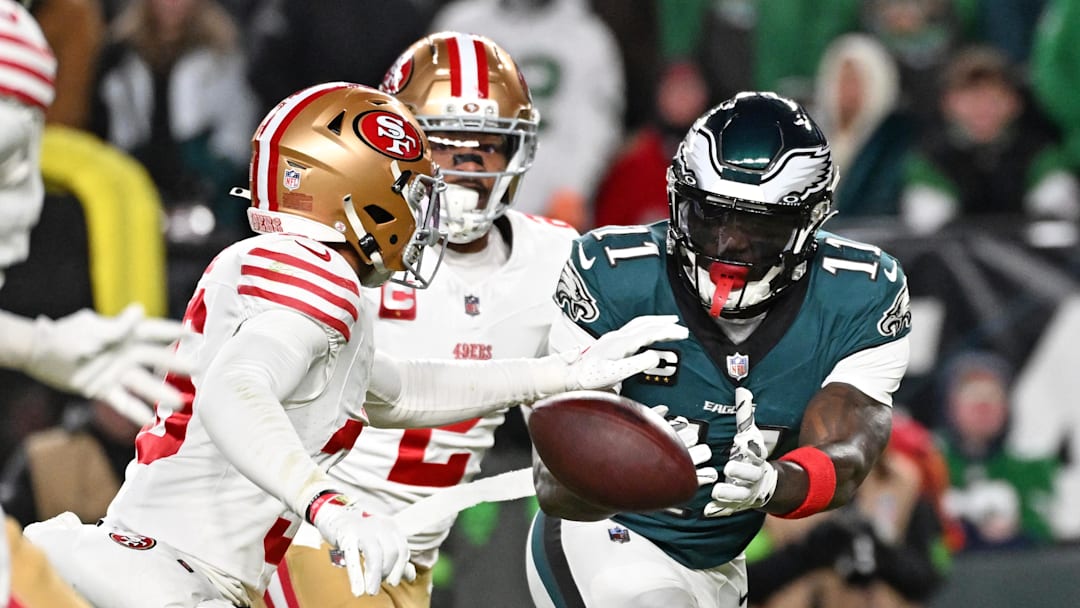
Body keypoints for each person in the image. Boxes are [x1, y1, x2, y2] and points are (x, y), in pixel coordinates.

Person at [23, 81, 683, 608]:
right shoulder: (315, 275)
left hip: (166, 569)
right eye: (409, 191)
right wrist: (329, 506)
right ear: (352, 192)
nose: (425, 214)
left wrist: (563, 374)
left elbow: (402, 390)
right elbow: (236, 391)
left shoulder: (304, 273)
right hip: (168, 582)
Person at [525, 91, 912, 607]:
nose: (729, 244)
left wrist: (775, 482)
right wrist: (638, 469)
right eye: (711, 216)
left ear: (809, 224)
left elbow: (849, 456)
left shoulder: (860, 294)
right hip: (606, 537)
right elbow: (554, 486)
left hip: (719, 564)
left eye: (758, 225)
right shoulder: (616, 277)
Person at [262, 31, 576, 608]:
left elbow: (569, 424)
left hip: (410, 563)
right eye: (445, 143)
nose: (465, 166)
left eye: (486, 145)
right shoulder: (345, 243)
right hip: (306, 537)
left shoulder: (554, 260)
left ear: (517, 154)